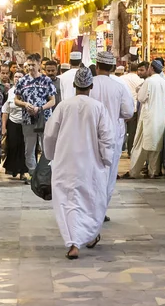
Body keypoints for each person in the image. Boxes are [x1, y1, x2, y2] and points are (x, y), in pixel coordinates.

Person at [44, 67, 114, 260]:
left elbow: (50, 135)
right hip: (91, 164)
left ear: (74, 85)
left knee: (68, 202)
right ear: (91, 86)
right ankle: (89, 236)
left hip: (65, 162)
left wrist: (50, 155)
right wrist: (106, 159)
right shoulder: (98, 107)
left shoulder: (63, 106)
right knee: (91, 201)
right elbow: (107, 138)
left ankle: (74, 243)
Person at [90, 51, 134, 211]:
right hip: (112, 135)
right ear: (112, 67)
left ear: (97, 67)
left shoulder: (89, 85)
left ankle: (91, 208)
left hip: (91, 135)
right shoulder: (119, 87)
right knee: (109, 173)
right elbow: (128, 112)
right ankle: (101, 211)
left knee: (91, 172)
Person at [14, 54, 56, 175]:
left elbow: (52, 101)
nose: (31, 67)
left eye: (33, 64)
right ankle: (33, 173)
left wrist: (40, 108)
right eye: (29, 65)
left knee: (46, 147)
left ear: (39, 64)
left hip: (44, 118)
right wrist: (25, 104)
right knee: (29, 148)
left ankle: (45, 172)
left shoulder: (46, 80)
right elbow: (16, 100)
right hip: (28, 120)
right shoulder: (22, 81)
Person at [129, 60, 165, 179]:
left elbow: (141, 98)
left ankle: (134, 171)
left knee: (141, 144)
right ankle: (154, 171)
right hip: (160, 117)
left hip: (148, 116)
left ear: (151, 68)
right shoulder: (164, 81)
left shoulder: (149, 81)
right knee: (156, 144)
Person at [2, 70, 27, 181]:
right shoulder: (11, 92)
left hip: (26, 123)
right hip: (12, 122)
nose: (17, 78)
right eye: (16, 76)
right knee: (13, 146)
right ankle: (13, 168)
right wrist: (3, 126)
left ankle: (23, 171)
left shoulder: (28, 90)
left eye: (20, 76)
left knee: (24, 148)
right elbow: (5, 111)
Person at [119, 61, 142, 156]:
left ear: (128, 68)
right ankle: (130, 151)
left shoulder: (121, 78)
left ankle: (120, 149)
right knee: (132, 131)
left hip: (122, 106)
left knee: (121, 130)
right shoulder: (140, 80)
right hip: (134, 107)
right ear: (137, 70)